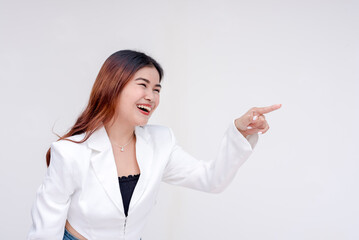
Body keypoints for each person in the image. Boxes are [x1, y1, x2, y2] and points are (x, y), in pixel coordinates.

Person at [27, 49, 281, 240]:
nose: (151, 96)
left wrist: (238, 132)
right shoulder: (70, 152)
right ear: (113, 87)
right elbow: (45, 231)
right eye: (142, 85)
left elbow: (211, 180)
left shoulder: (161, 141)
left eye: (157, 89)